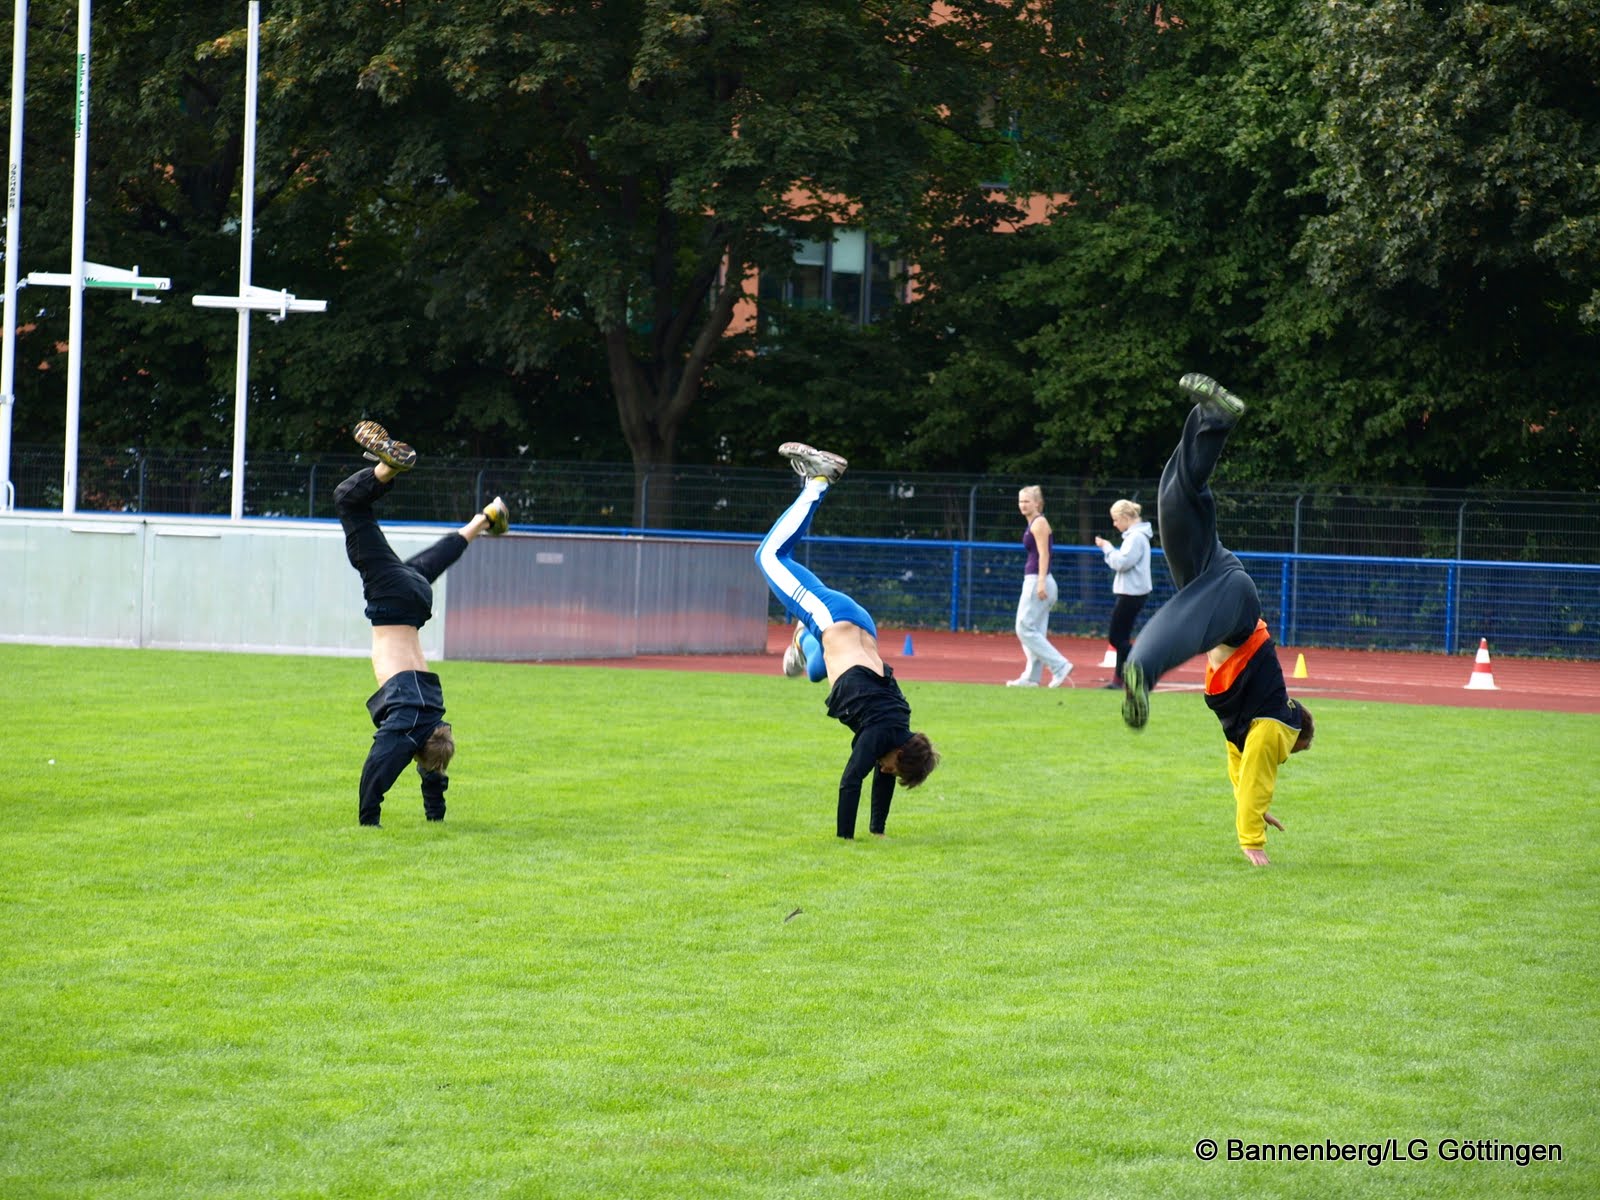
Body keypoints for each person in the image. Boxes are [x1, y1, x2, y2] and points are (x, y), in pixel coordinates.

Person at [1121, 375, 1314, 866]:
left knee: (1177, 498)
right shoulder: (1275, 728)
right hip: (1233, 601)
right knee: (1183, 626)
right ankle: (1141, 667)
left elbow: (1242, 773)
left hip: (1211, 576)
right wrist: (1253, 839)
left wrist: (1254, 808)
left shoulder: (1246, 730)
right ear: (1296, 738)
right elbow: (1257, 774)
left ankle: (1214, 417)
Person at [755, 441, 940, 839]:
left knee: (815, 672)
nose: (886, 771)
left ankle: (802, 642)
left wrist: (878, 831)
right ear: (901, 753)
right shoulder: (880, 737)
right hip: (832, 618)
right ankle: (818, 481)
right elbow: (850, 781)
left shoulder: (900, 725)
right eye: (894, 768)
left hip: (860, 626)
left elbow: (882, 772)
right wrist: (845, 839)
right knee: (770, 556)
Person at [335, 420, 510, 827]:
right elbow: (380, 765)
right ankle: (388, 467)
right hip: (393, 601)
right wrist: (369, 819)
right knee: (348, 501)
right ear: (416, 746)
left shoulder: (433, 716)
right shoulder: (411, 722)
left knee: (431, 561)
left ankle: (485, 519)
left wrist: (436, 817)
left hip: (413, 601)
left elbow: (436, 768)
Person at [1006, 485, 1073, 688]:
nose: (1023, 505)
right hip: (1035, 579)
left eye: (1027, 501)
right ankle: (1032, 677)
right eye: (1020, 501)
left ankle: (1059, 665)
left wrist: (1041, 581)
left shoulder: (1039, 523)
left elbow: (1045, 554)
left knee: (1024, 627)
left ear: (1037, 503)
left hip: (1038, 579)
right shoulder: (1033, 523)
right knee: (1035, 631)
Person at [1093, 499, 1153, 688]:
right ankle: (1119, 680)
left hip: (1131, 593)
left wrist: (1107, 548)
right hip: (1133, 592)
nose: (1114, 524)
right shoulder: (1137, 536)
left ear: (1126, 517)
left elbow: (1122, 563)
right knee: (1122, 637)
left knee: (1116, 637)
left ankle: (1142, 665)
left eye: (1116, 519)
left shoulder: (1136, 538)